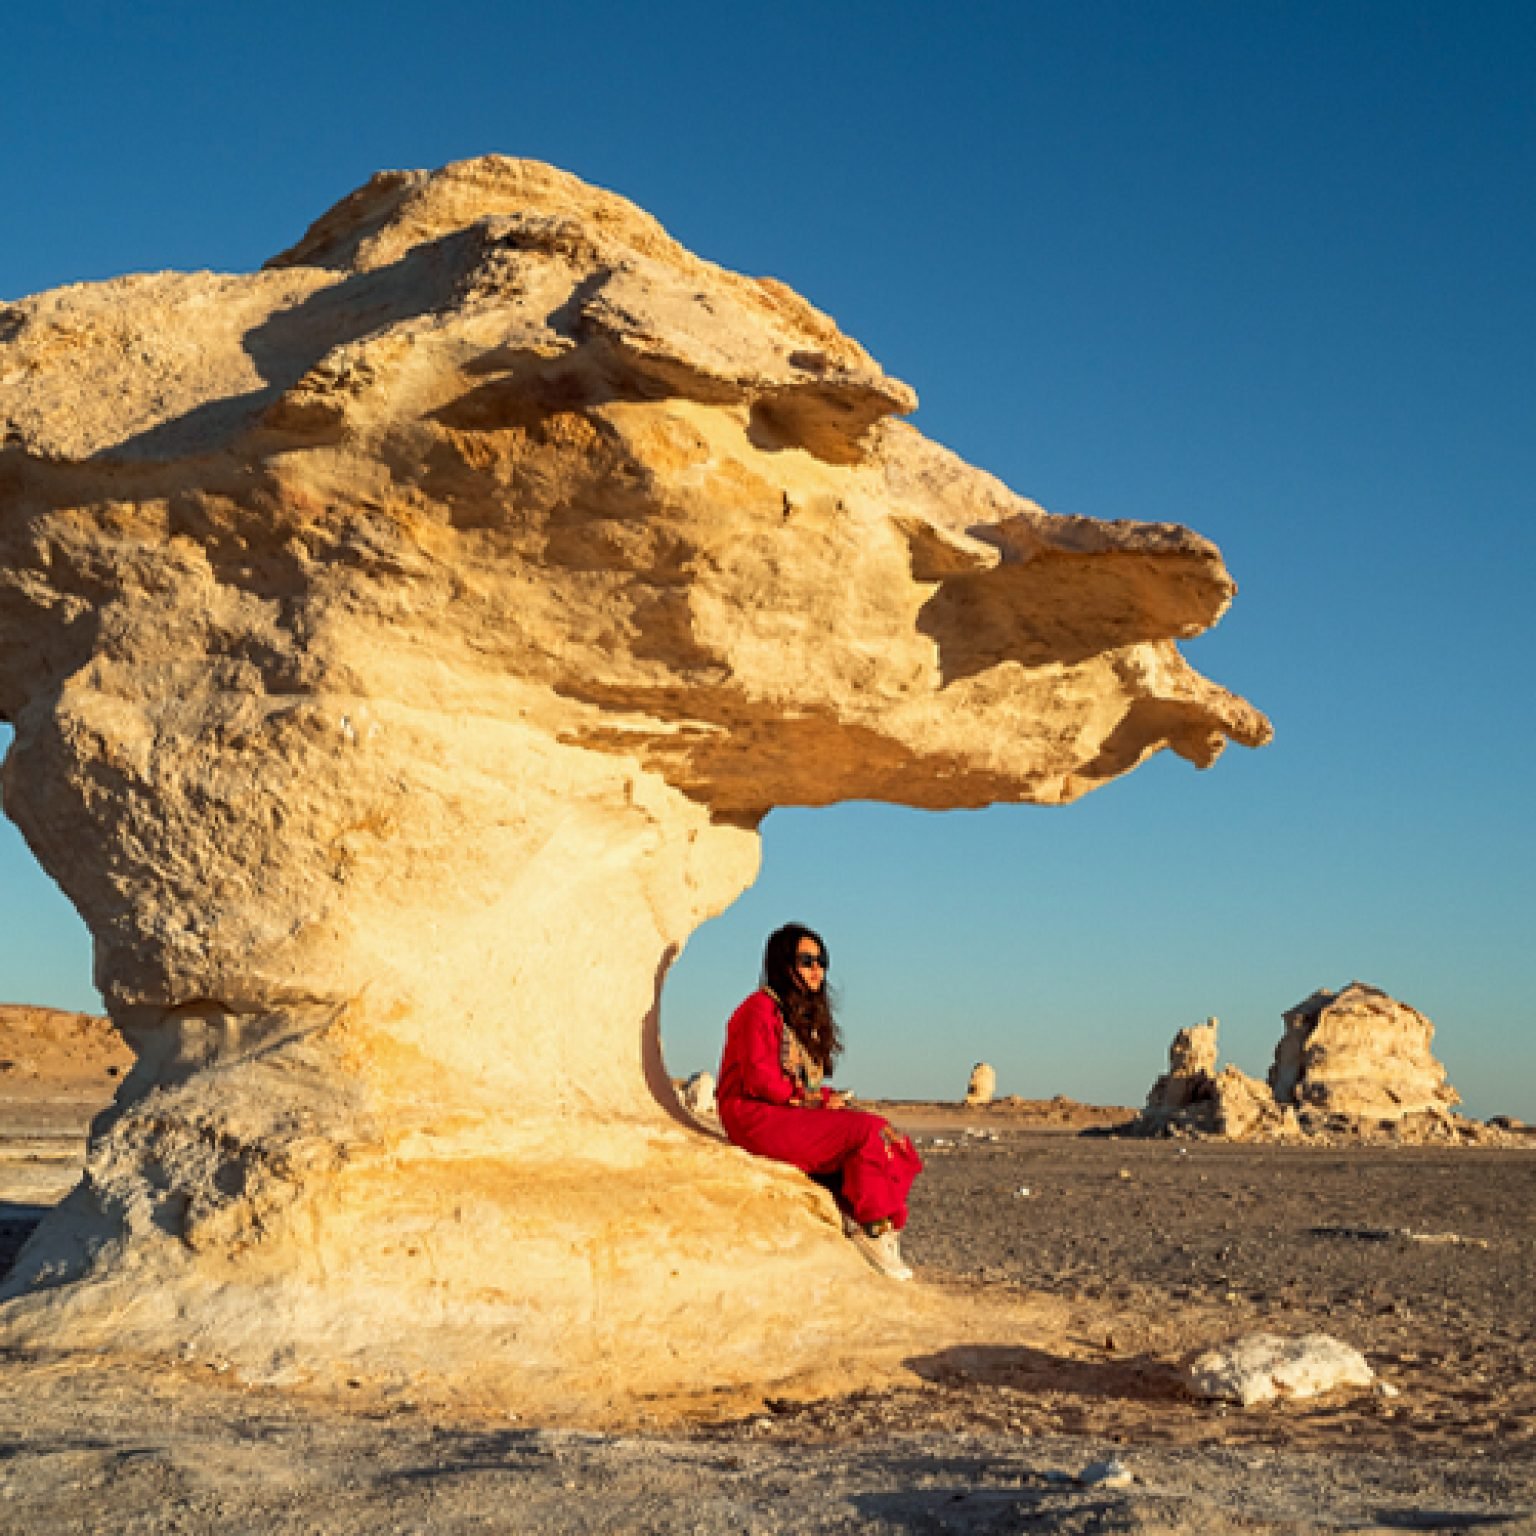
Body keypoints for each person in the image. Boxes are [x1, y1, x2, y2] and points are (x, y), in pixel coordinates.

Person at [717, 922, 923, 1281]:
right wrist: (811, 1101)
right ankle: (870, 1227)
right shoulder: (759, 1009)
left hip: (783, 1110)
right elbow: (760, 1080)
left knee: (892, 1138)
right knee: (866, 1132)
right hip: (753, 1115)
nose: (817, 969)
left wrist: (822, 1100)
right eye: (807, 960)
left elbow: (799, 1083)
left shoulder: (796, 1016)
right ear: (784, 964)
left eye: (822, 960)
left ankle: (885, 1225)